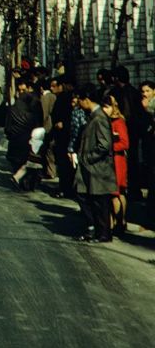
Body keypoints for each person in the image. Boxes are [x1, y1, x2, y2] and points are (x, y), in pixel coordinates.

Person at [72, 85, 116, 243]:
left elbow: (105, 144)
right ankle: (95, 229)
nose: (78, 104)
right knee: (85, 196)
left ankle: (103, 233)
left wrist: (88, 158)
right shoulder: (93, 116)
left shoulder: (99, 118)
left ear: (86, 100)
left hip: (98, 168)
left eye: (80, 100)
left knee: (99, 202)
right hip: (91, 167)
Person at [5, 74, 40, 189]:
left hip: (22, 141)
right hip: (23, 141)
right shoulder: (19, 106)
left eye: (23, 90)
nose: (22, 93)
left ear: (29, 88)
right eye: (20, 90)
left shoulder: (32, 103)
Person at [104, 89, 130, 234]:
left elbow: (125, 143)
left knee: (116, 192)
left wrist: (109, 147)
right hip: (111, 161)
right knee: (115, 193)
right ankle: (116, 222)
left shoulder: (119, 122)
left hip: (117, 161)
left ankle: (120, 221)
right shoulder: (107, 120)